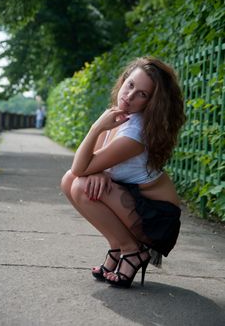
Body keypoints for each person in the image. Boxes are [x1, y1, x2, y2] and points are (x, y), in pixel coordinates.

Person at [61, 56, 186, 288]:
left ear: (151, 102)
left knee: (79, 184)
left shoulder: (134, 133)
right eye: (130, 85)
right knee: (70, 180)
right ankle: (119, 248)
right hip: (134, 200)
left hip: (157, 218)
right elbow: (89, 164)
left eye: (142, 94)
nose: (129, 96)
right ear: (123, 80)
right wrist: (98, 171)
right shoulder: (118, 116)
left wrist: (95, 126)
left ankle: (132, 250)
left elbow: (81, 167)